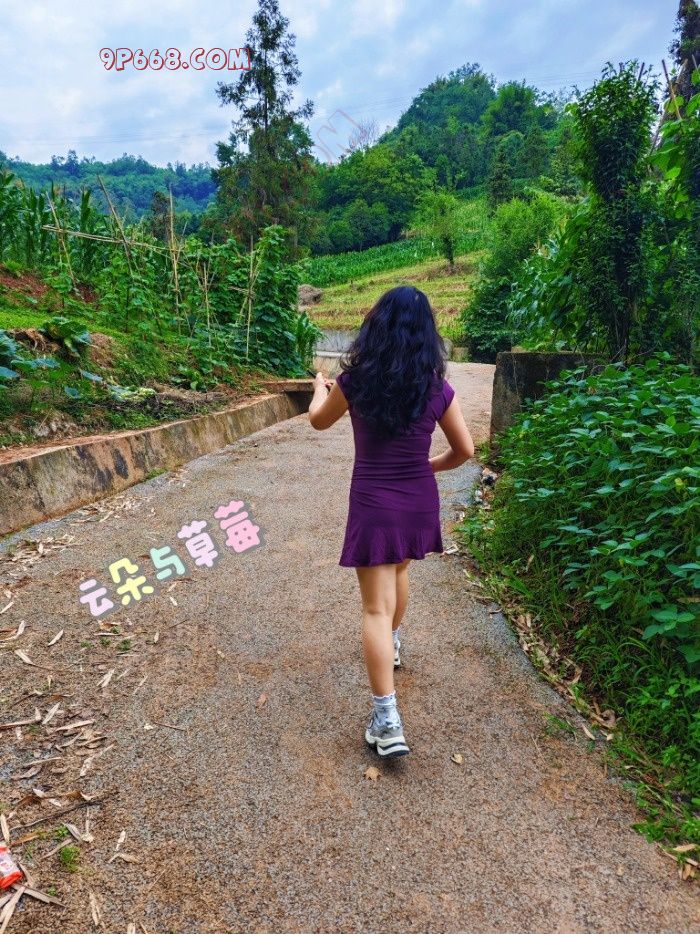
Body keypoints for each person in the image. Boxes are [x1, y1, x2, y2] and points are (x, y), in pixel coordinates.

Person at [308, 285, 474, 758]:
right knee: (399, 569)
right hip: (417, 499)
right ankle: (393, 645)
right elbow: (465, 450)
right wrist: (428, 468)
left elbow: (318, 421)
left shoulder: (356, 381)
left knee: (374, 610)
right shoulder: (436, 387)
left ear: (377, 327)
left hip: (374, 502)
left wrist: (320, 388)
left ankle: (387, 720)